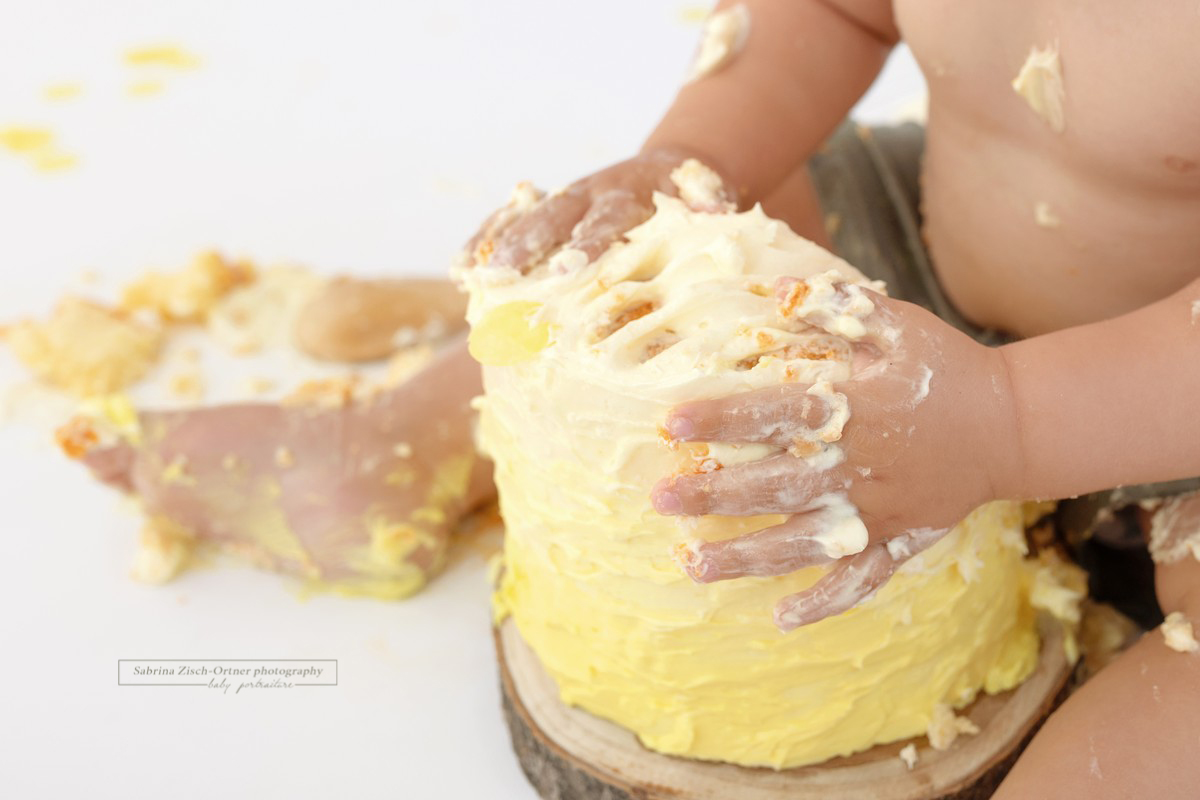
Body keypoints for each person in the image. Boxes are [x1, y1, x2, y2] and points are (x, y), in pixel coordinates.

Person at [77, 1, 1199, 794]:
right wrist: (692, 161)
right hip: (919, 260)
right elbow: (839, 10)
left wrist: (1010, 419)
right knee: (733, 236)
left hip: (1168, 405)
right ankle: (395, 447)